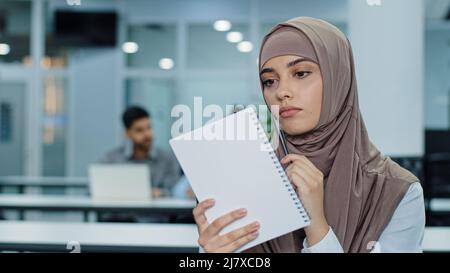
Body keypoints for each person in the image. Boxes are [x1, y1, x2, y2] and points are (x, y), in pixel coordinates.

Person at [193, 17, 425, 253]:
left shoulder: (396, 191)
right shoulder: (246, 175)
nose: (282, 92)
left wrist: (317, 226)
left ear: (338, 78)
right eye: (269, 81)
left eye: (301, 73)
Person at [100, 106, 180, 198]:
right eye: (139, 130)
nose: (147, 134)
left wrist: (161, 193)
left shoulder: (166, 159)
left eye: (149, 128)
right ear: (127, 133)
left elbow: (175, 190)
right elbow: (94, 190)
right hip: (121, 211)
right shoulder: (111, 159)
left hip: (154, 211)